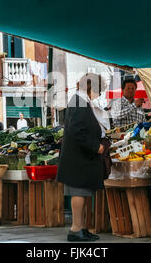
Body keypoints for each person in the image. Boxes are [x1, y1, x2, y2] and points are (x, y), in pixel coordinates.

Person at [56, 73, 110, 242]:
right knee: (79, 192)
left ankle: (83, 228)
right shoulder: (78, 102)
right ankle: (75, 229)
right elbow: (76, 130)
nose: (99, 94)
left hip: (82, 157)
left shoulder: (80, 101)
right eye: (99, 90)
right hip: (78, 158)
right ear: (91, 87)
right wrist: (96, 146)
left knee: (84, 193)